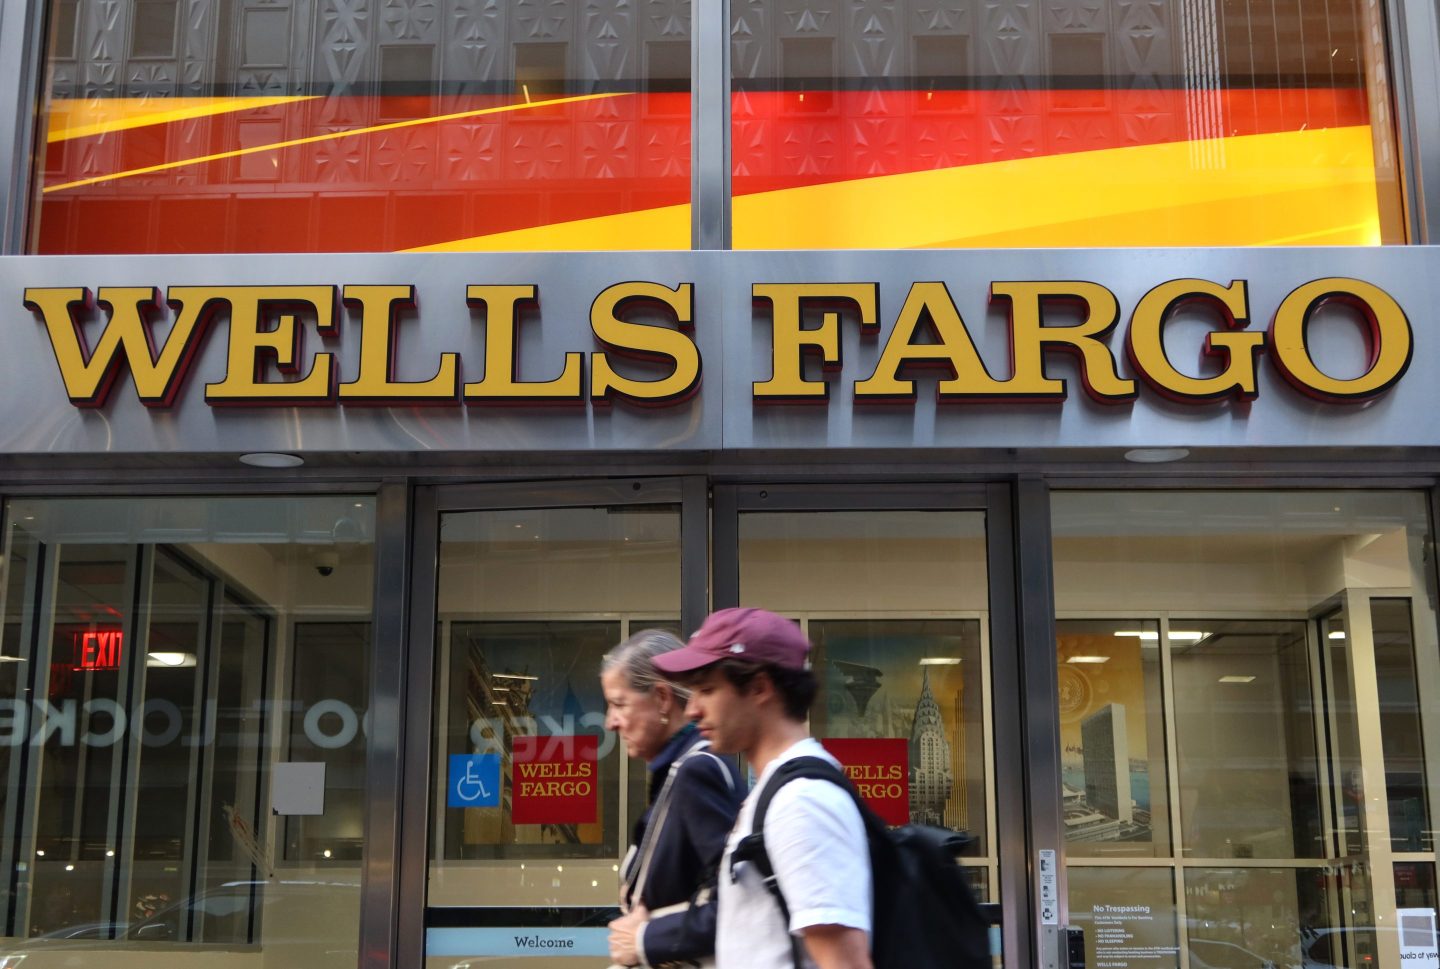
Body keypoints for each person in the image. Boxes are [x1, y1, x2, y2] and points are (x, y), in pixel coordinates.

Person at [653, 608, 873, 969]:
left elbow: (845, 962)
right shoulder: (780, 793)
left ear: (759, 688)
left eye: (706, 690)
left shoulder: (802, 802)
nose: (692, 710)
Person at [602, 628, 743, 968]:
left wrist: (645, 938)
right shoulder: (681, 771)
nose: (610, 722)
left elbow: (738, 901)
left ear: (663, 698)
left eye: (619, 704)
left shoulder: (696, 771)